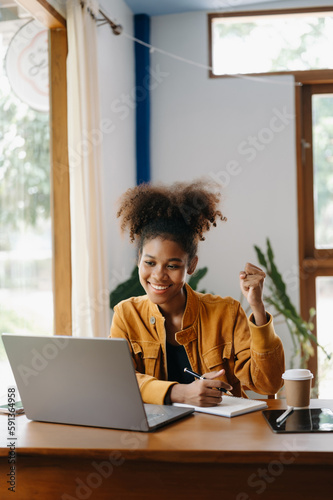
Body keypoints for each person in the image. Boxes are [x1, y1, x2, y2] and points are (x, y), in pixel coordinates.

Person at [110, 180, 285, 407]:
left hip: (218, 435)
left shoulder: (226, 312)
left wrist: (258, 308)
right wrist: (180, 393)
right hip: (153, 439)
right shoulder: (126, 314)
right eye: (150, 263)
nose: (158, 275)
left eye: (172, 266)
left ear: (191, 266)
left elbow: (268, 384)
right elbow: (120, 382)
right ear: (139, 260)